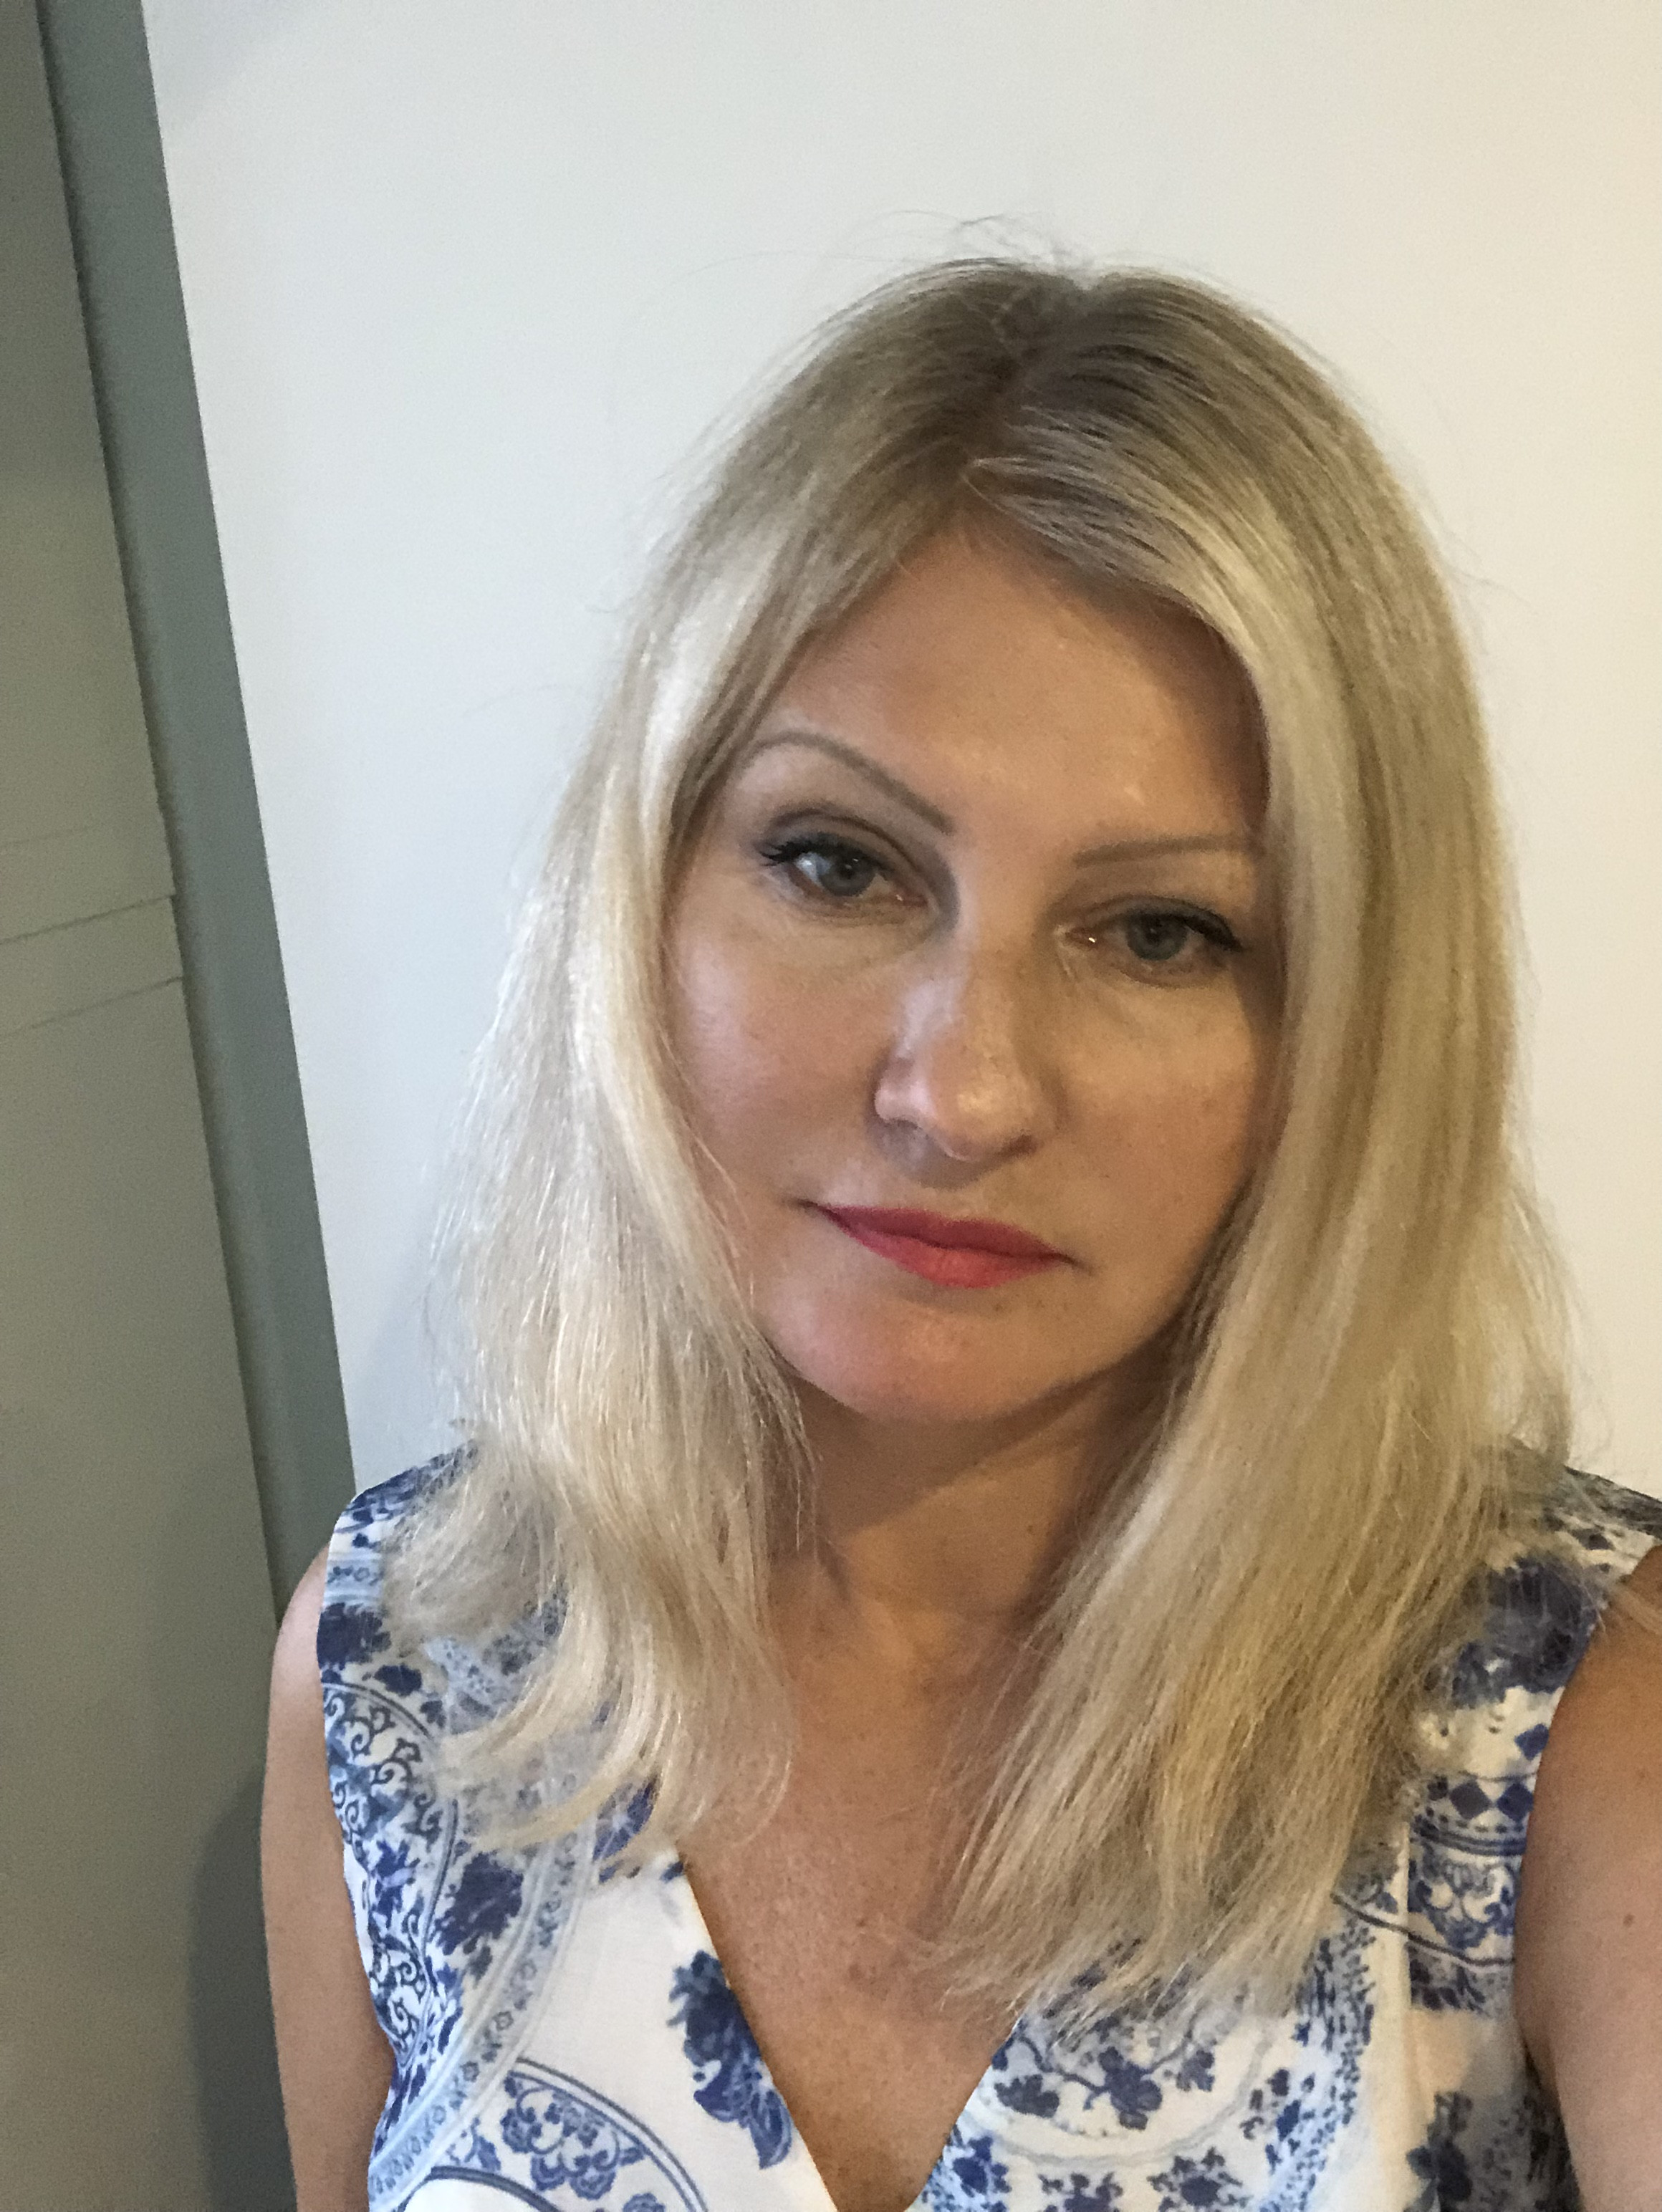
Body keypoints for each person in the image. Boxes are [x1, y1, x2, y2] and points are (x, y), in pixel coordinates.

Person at [261, 259, 1662, 2212]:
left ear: (1347, 1031)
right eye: (836, 863)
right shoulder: (403, 1653)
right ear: (641, 900)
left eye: (1161, 932)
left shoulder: (1578, 1717)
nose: (963, 1092)